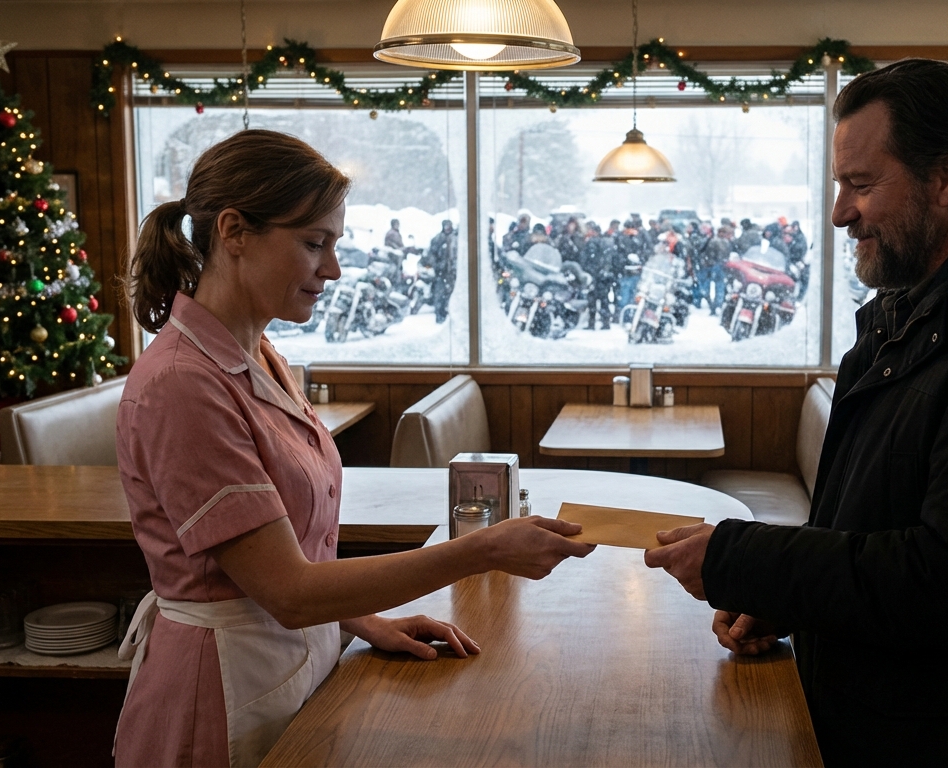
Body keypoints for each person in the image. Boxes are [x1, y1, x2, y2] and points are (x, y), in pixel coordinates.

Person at [645, 60, 948, 767]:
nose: (841, 213)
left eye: (862, 185)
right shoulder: (919, 313)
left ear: (947, 177)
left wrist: (741, 558)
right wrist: (793, 600)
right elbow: (879, 527)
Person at [115, 131, 596, 768]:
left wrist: (365, 621)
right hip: (224, 692)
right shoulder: (182, 383)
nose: (334, 269)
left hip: (289, 667)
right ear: (233, 231)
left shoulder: (258, 354)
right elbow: (286, 589)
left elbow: (286, 562)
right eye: (314, 244)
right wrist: (481, 550)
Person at [581, 221, 618, 330]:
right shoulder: (607, 242)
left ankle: (591, 323)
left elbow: (587, 259)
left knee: (592, 300)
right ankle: (605, 322)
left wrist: (588, 270)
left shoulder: (591, 243)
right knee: (604, 300)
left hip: (594, 276)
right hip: (604, 276)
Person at [426, 219, 457, 324]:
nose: (447, 228)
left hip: (453, 273)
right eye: (445, 226)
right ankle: (440, 317)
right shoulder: (437, 239)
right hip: (441, 273)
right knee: (440, 296)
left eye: (449, 226)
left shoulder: (456, 238)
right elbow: (431, 255)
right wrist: (437, 266)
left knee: (453, 296)